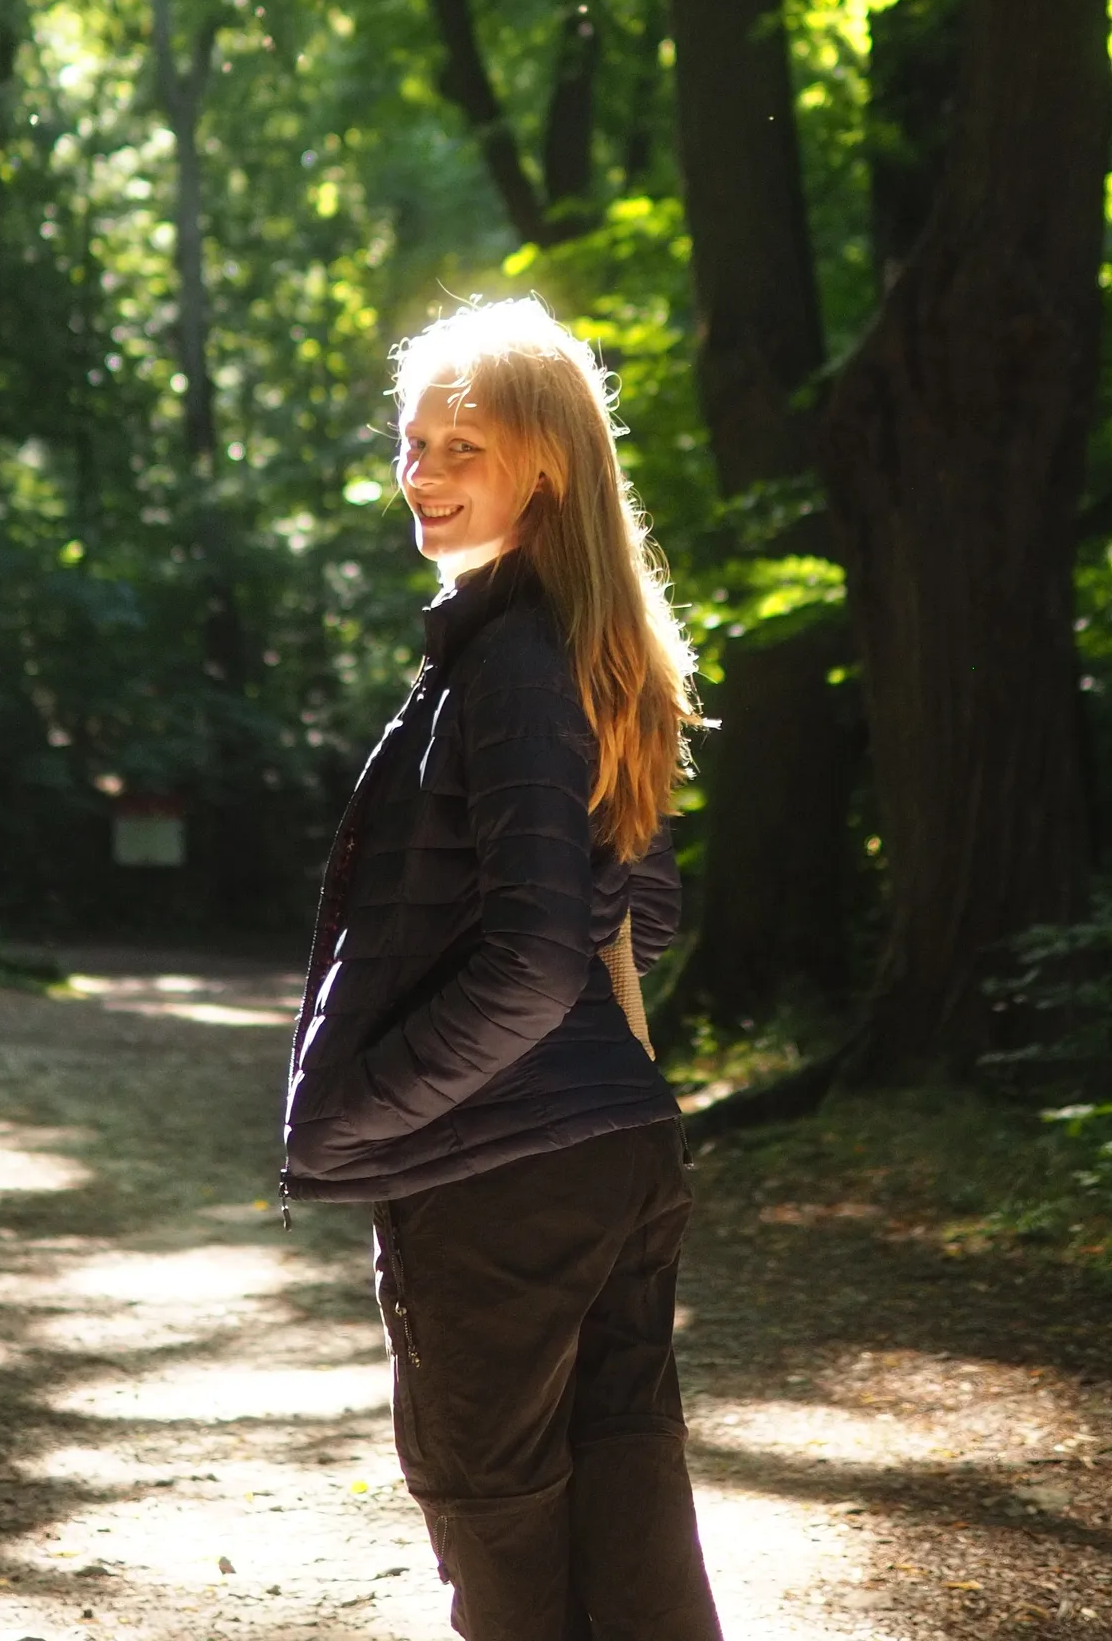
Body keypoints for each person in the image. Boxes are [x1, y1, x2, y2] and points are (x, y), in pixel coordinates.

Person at [282, 297, 724, 1641]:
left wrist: (371, 1108)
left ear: (546, 467)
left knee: (505, 1539)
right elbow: (637, 919)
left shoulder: (513, 665)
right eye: (413, 443)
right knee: (633, 1546)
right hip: (612, 1158)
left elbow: (536, 962)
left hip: (502, 1184)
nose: (420, 472)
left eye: (459, 447)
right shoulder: (586, 649)